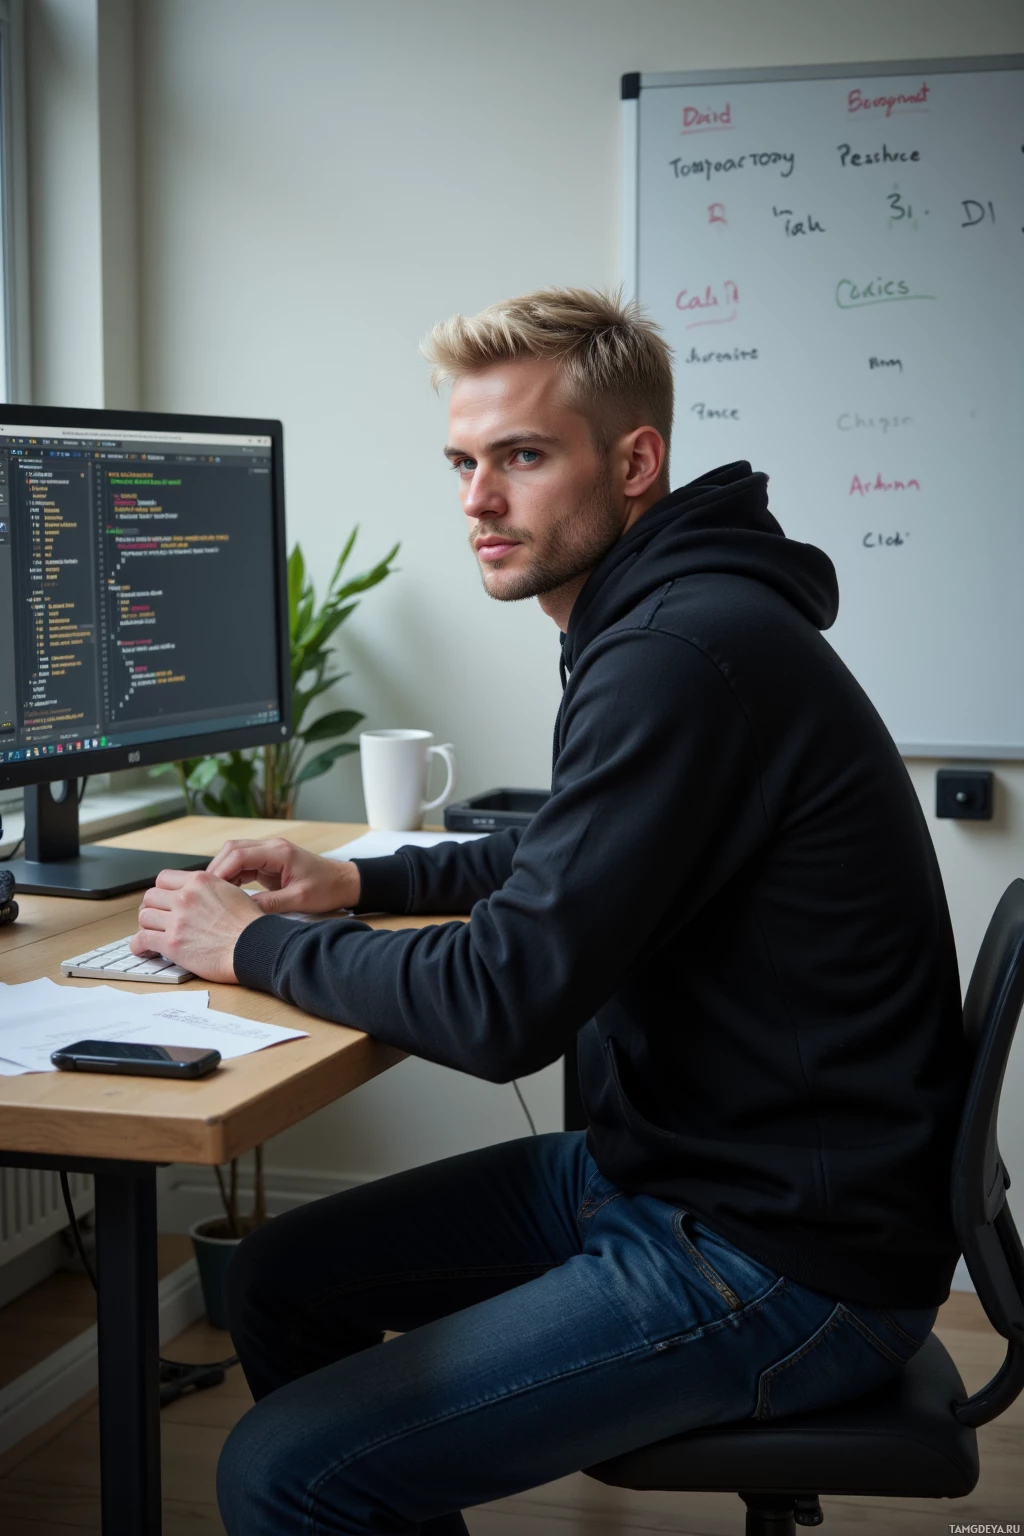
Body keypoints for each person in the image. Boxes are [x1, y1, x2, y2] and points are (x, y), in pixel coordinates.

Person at [131, 289, 965, 1536]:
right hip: (685, 1173)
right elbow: (570, 853)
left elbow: (499, 1005)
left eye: (520, 457)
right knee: (286, 1280)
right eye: (463, 462)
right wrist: (361, 881)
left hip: (782, 1255)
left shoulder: (676, 653)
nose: (476, 500)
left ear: (634, 463)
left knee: (282, 1471)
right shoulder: (673, 614)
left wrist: (250, 943)